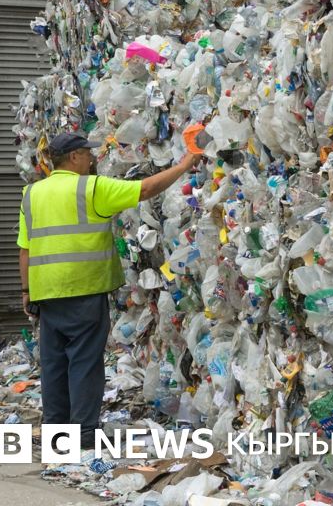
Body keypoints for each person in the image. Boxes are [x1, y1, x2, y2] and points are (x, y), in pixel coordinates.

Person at [17, 132, 200, 448]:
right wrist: (184, 165)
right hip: (85, 290)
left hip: (46, 293)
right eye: (87, 153)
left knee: (53, 365)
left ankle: (55, 431)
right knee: (84, 362)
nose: (91, 159)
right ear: (74, 157)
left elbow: (25, 249)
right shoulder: (91, 188)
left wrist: (26, 291)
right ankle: (84, 433)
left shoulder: (32, 193)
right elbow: (145, 189)